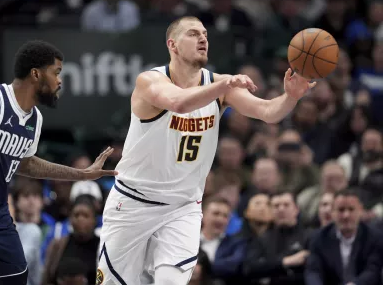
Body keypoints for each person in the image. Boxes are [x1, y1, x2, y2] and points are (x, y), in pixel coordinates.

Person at [97, 16, 315, 285]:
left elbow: (268, 112)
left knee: (169, 281)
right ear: (173, 45)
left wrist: (290, 96)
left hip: (183, 206)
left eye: (205, 34)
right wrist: (223, 85)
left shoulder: (220, 85)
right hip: (133, 201)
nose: (203, 38)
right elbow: (178, 103)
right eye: (193, 34)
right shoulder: (150, 81)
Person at [0, 40, 117, 285]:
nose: (60, 81)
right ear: (35, 74)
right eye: (56, 73)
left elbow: (27, 163)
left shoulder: (35, 119)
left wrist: (83, 175)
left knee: (16, 276)